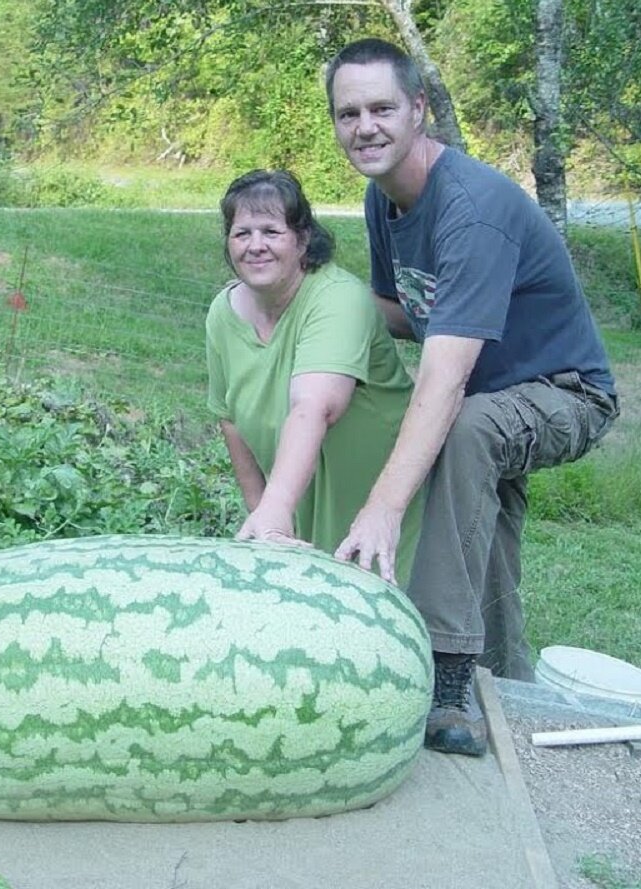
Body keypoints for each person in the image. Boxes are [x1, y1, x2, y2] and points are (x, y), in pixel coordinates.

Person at [325, 38, 619, 756]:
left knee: (462, 430)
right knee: (480, 540)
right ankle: (502, 682)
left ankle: (444, 675)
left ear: (419, 110)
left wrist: (382, 508)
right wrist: (311, 302)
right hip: (491, 396)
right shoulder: (383, 197)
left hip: (563, 391)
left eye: (382, 108)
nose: (364, 126)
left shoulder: (472, 208)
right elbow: (398, 312)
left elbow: (444, 374)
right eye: (348, 112)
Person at [205, 169, 423, 585]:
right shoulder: (222, 313)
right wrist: (264, 515)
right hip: (296, 508)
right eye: (241, 233)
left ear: (303, 240)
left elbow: (314, 406)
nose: (255, 246)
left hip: (380, 507)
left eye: (271, 231)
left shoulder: (338, 299)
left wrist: (276, 507)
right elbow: (230, 419)